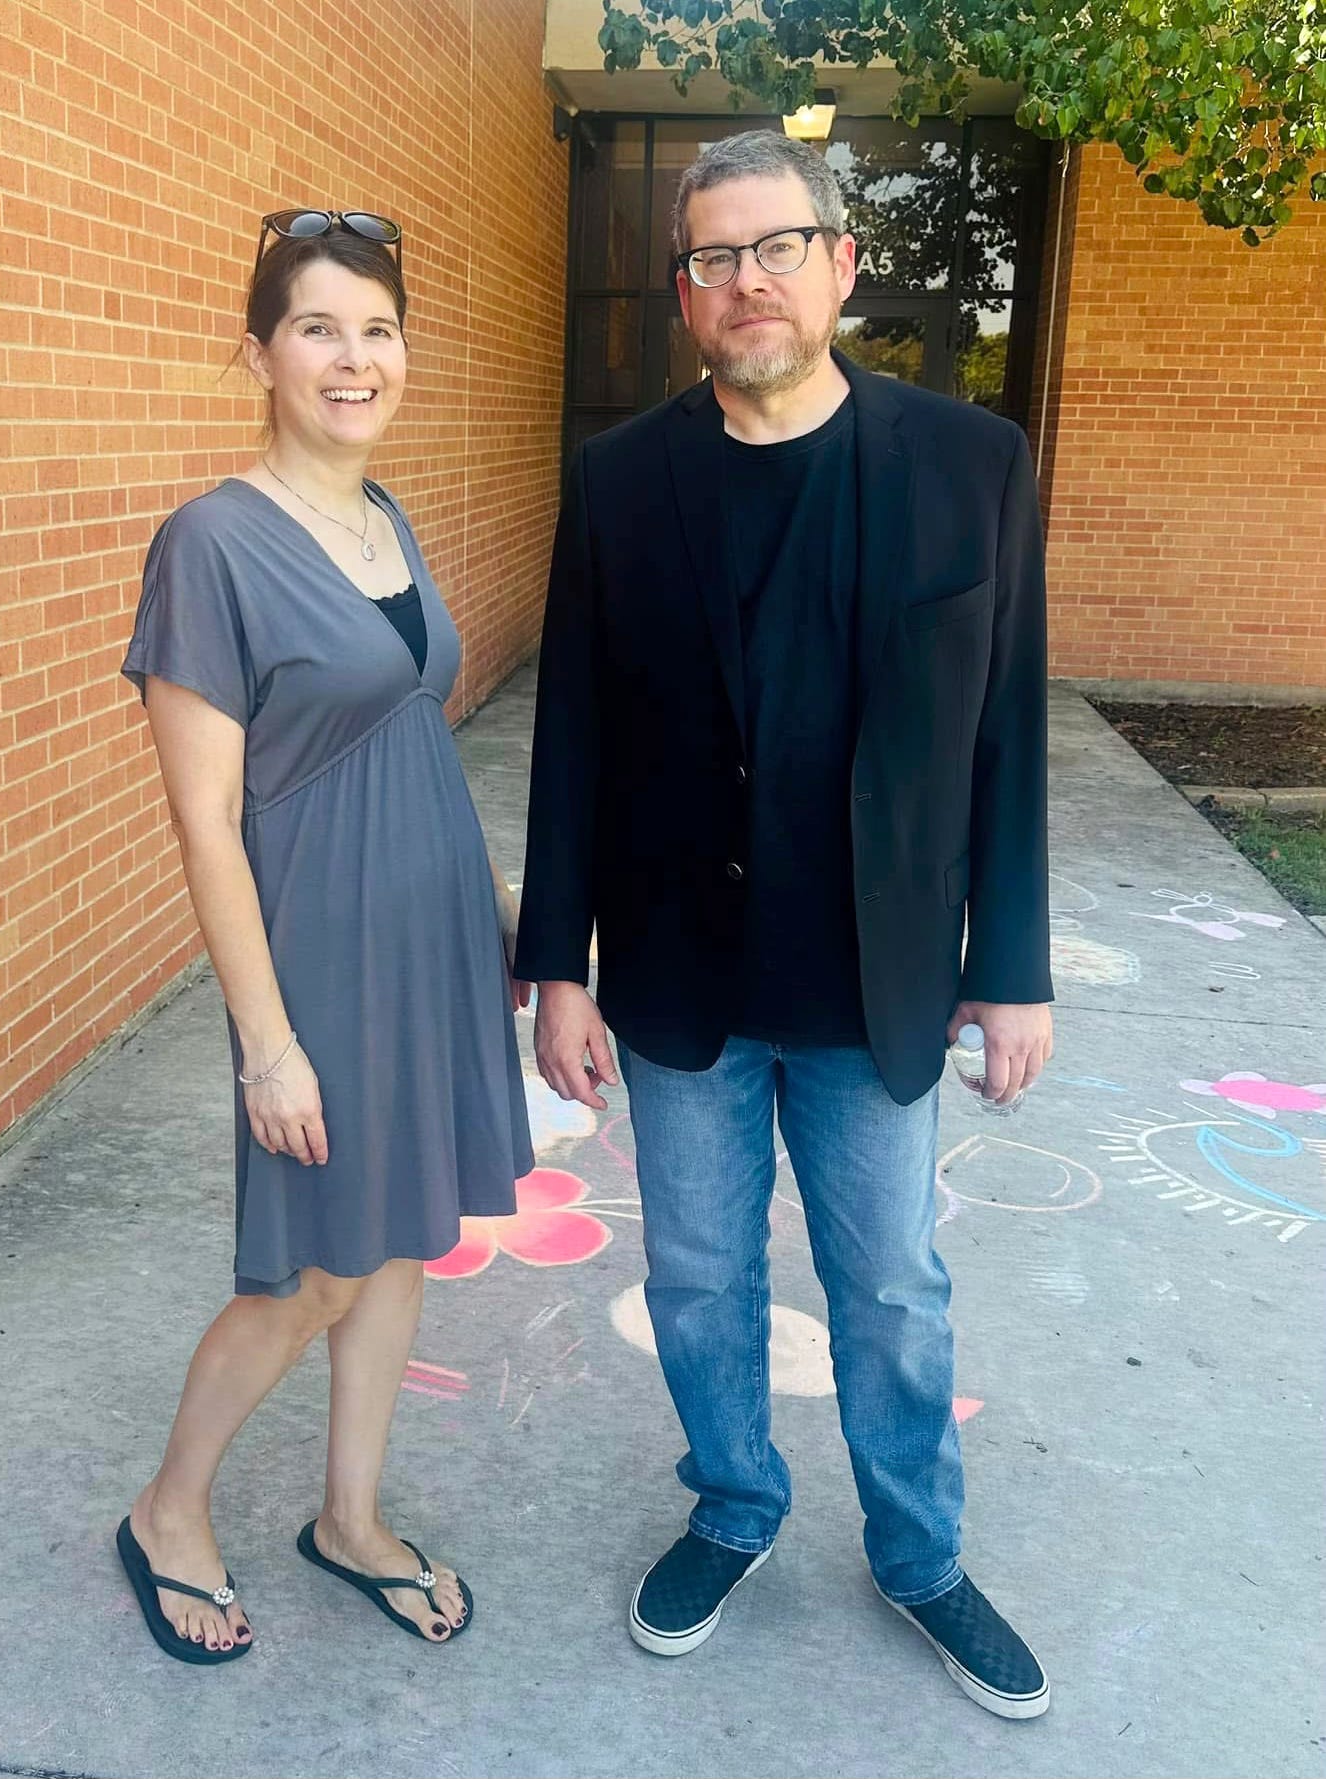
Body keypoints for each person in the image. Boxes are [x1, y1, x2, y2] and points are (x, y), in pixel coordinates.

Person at [516, 133, 1054, 1718]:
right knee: (695, 1274)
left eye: (773, 247)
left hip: (876, 979)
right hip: (680, 970)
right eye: (709, 258)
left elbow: (1005, 730)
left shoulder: (971, 465)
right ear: (682, 291)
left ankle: (918, 1555)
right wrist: (558, 965)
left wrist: (1008, 967)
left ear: (840, 265)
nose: (742, 280)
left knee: (889, 1284)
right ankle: (735, 1503)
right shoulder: (621, 481)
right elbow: (575, 743)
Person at [117, 208, 533, 1664]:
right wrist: (267, 1046)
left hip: (429, 951)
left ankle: (349, 1519)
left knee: (402, 1238)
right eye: (318, 328)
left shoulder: (387, 520)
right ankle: (171, 1510)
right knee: (312, 1270)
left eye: (377, 329)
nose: (354, 358)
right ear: (259, 352)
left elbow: (406, 747)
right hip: (320, 975)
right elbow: (206, 823)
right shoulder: (212, 545)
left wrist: (503, 922)